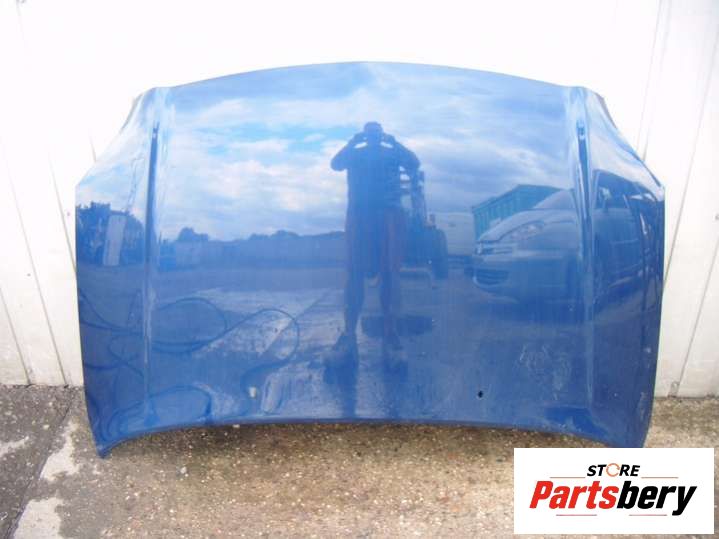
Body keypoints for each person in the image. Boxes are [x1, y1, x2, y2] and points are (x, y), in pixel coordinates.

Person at [330, 122, 420, 356]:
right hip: (360, 216)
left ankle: (390, 333)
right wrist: (352, 143)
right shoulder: (355, 153)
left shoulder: (391, 153)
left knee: (390, 273)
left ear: (381, 135)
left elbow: (414, 163)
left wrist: (394, 143)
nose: (372, 136)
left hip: (388, 216)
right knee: (354, 273)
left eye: (375, 133)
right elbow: (335, 164)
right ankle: (349, 333)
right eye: (369, 133)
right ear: (365, 135)